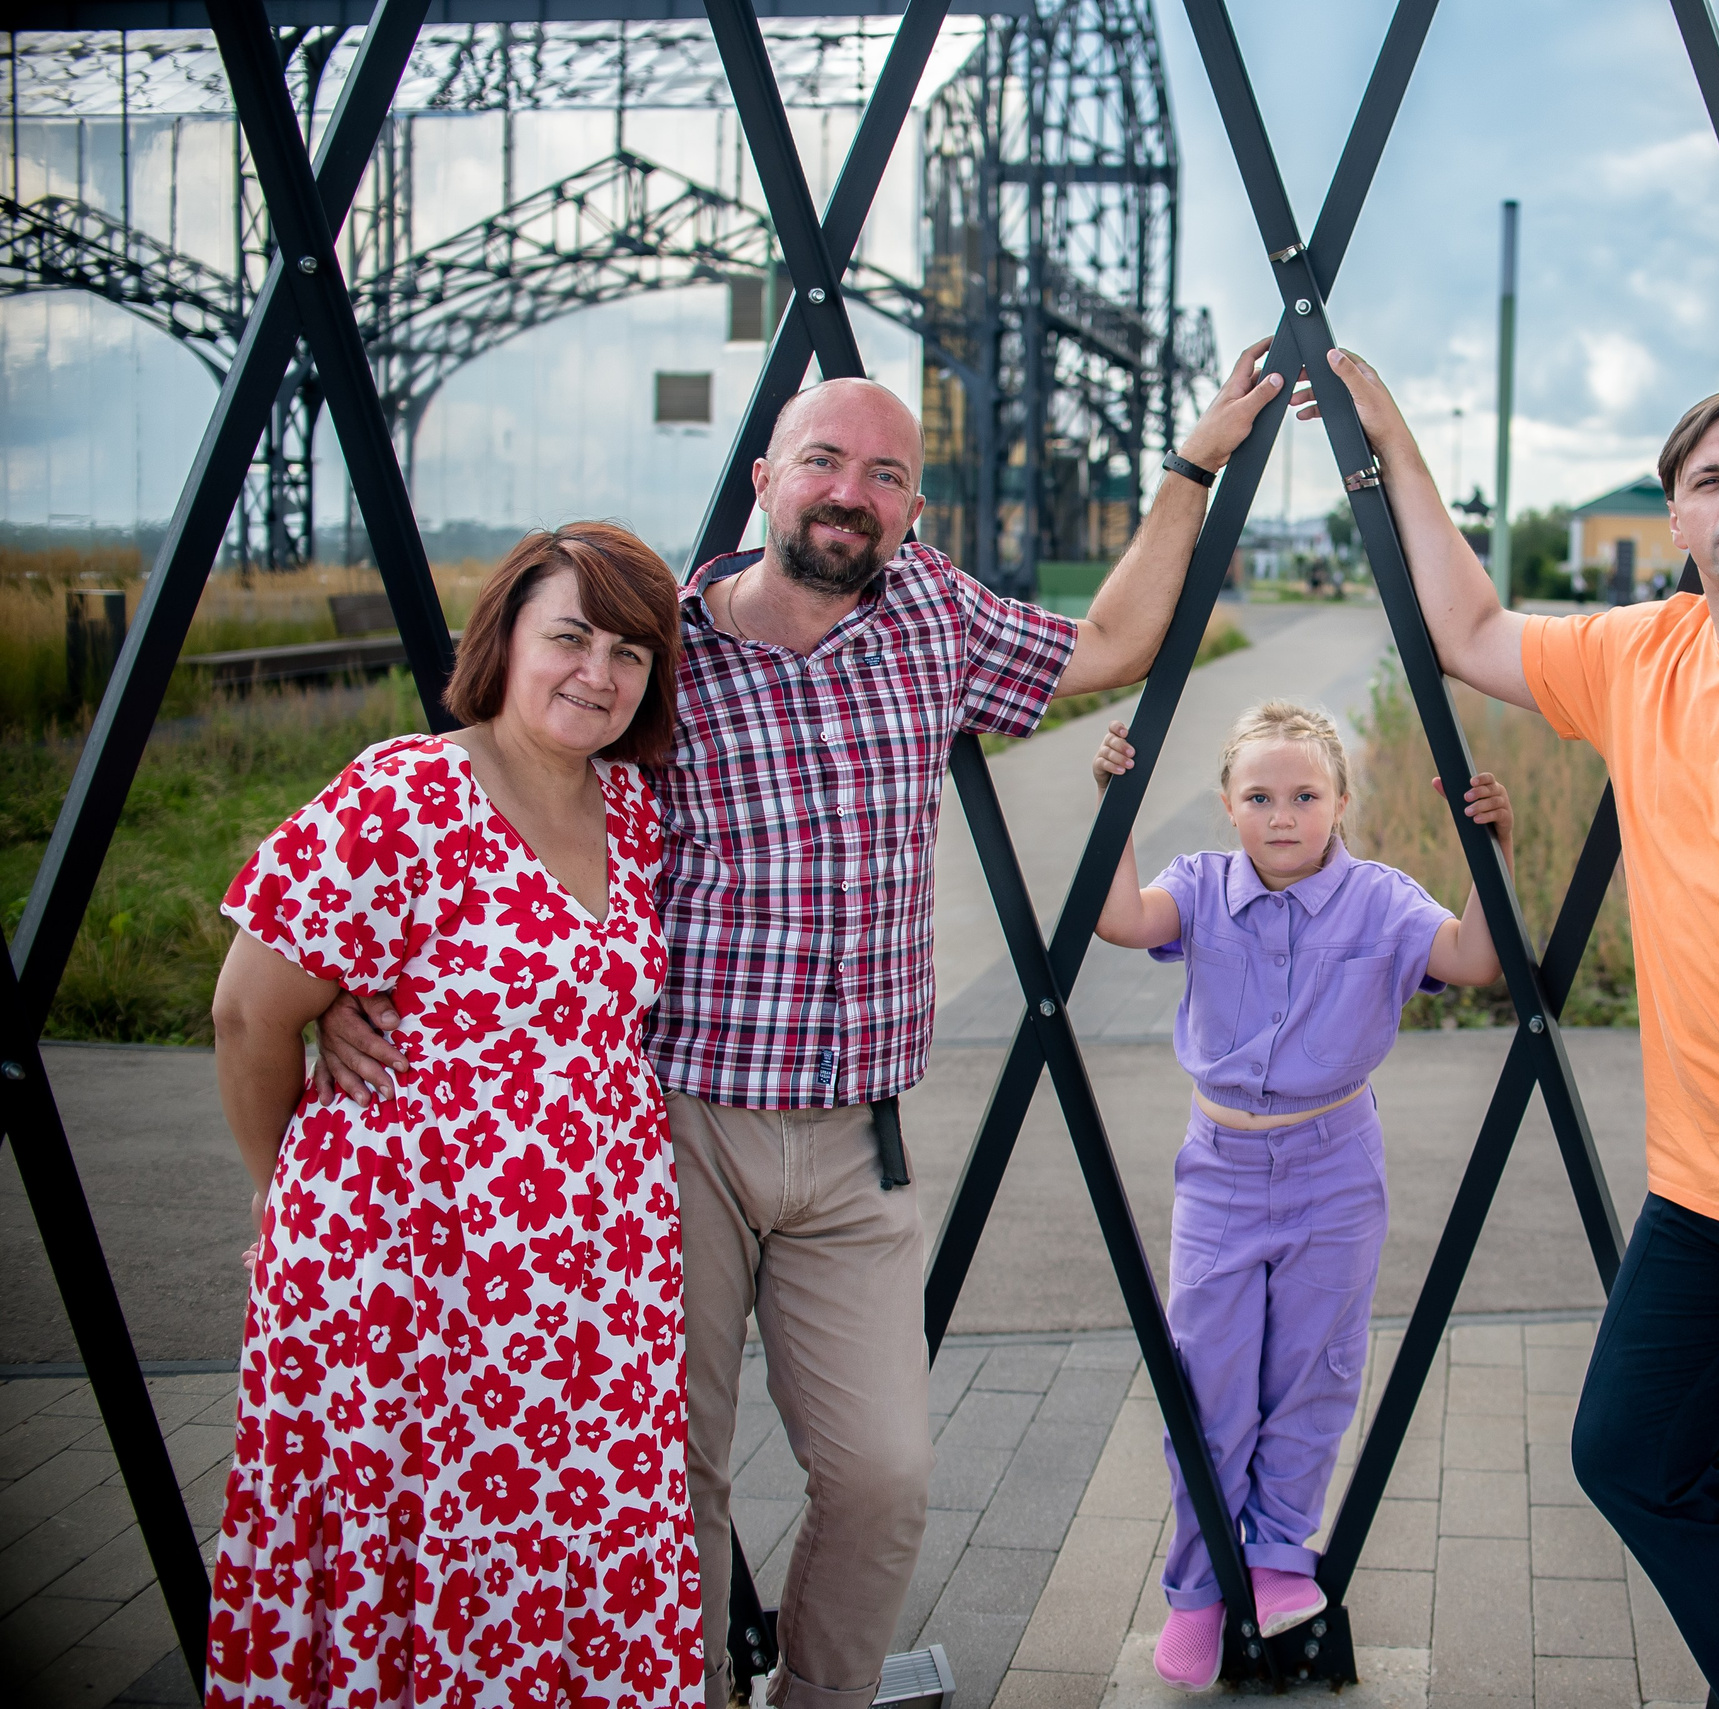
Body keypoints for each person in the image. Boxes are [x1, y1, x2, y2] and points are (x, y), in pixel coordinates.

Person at [319, 348, 1289, 1707]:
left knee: (886, 1475)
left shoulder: (932, 613)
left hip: (853, 1145)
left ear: (911, 511)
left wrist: (1190, 467)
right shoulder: (664, 651)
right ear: (767, 478)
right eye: (825, 461)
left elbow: (1112, 644)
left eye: (886, 475)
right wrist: (357, 973)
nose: (851, 492)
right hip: (676, 1133)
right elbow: (513, 784)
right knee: (671, 1475)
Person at [1301, 356, 1719, 1708]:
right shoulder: (1645, 652)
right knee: (1629, 1449)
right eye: (1709, 480)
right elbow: (1471, 629)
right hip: (1710, 1186)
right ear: (1675, 515)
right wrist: (1389, 432)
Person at [207, 524, 689, 1707]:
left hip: (593, 1292)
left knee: (577, 1538)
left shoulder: (633, 808)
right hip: (410, 1283)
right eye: (569, 636)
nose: (597, 672)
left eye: (629, 653)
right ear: (504, 639)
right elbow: (248, 1012)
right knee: (417, 1538)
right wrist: (283, 1200)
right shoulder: (407, 794)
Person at [1088, 702, 1514, 1691]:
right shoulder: (1199, 886)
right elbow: (1121, 920)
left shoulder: (1380, 901)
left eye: (1305, 795)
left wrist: (1488, 850)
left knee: (1315, 1367)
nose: (1282, 815)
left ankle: (1279, 1551)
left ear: (1341, 800)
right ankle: (1200, 1583)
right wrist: (1114, 808)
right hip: (1222, 1169)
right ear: (1227, 804)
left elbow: (1473, 958)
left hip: (1333, 1165)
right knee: (1208, 1376)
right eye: (1259, 796)